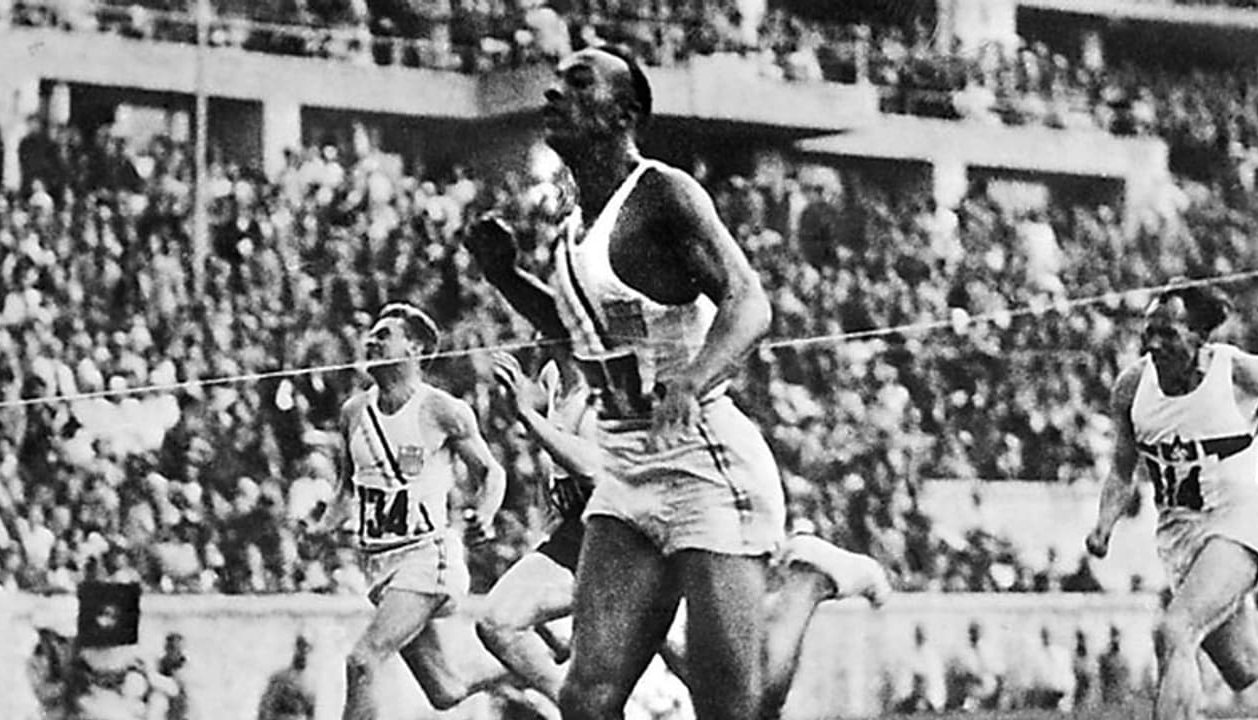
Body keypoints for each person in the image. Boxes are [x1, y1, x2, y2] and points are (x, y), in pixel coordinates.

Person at [466, 44, 885, 720]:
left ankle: (809, 577)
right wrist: (506, 277)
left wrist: (692, 379)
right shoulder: (572, 228)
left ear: (623, 114)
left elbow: (749, 303)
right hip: (626, 467)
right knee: (586, 700)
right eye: (556, 83)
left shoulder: (662, 193)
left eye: (578, 84)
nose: (554, 94)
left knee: (735, 707)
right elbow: (580, 336)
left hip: (701, 460)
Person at [477, 350, 891, 711]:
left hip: (644, 530)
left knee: (746, 695)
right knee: (501, 623)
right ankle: (577, 708)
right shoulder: (554, 378)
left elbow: (596, 468)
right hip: (586, 530)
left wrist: (530, 419)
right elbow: (556, 445)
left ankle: (810, 576)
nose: (538, 333)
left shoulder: (612, 383)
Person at [316, 302, 511, 720]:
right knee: (446, 690)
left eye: (384, 335)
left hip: (427, 556)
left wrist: (486, 512)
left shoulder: (441, 409)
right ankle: (534, 666)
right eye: (371, 334)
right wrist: (322, 527)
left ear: (416, 348)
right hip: (379, 564)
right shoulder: (354, 412)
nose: (371, 341)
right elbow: (347, 487)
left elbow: (492, 472)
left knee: (363, 660)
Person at [1084, 284, 1258, 720]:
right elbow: (1122, 468)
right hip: (1179, 536)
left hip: (1237, 522)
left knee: (1175, 629)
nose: (1153, 344)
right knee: (1245, 667)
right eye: (1149, 333)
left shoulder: (1239, 373)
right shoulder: (1132, 387)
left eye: (1168, 334)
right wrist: (1104, 525)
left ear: (1199, 337)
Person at [257, 635, 317, 720]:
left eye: (305, 654)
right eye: (301, 653)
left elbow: (310, 714)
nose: (303, 658)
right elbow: (266, 707)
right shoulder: (280, 679)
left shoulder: (309, 686)